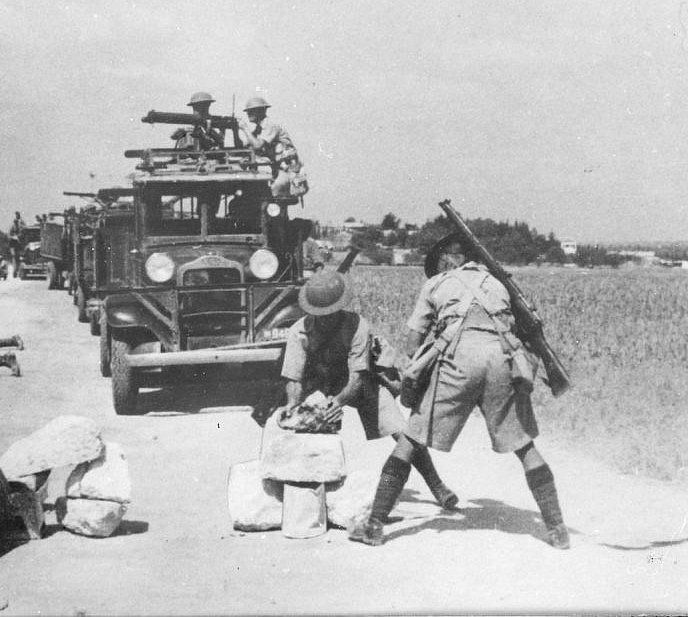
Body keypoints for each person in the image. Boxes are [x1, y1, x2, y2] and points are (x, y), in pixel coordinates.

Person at [347, 234, 569, 549]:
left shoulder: (437, 284)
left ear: (450, 259)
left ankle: (374, 525)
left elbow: (413, 342)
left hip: (456, 362)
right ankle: (557, 529)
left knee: (410, 440)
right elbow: (525, 330)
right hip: (501, 361)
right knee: (524, 446)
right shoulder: (500, 284)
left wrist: (416, 374)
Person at [275, 268, 458, 511]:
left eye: (330, 313)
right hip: (319, 383)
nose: (325, 318)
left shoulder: (357, 326)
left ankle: (436, 484)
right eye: (320, 314)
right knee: (291, 423)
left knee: (403, 432)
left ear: (339, 308)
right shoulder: (299, 330)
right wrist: (293, 406)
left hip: (359, 384)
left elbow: (358, 377)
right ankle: (293, 490)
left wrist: (338, 403)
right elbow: (294, 378)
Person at [236, 96, 303, 197]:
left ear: (261, 111)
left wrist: (245, 128)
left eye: (252, 111)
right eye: (248, 111)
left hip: (287, 170)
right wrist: (235, 131)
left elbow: (258, 145)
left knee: (272, 196)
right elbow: (243, 148)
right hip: (275, 169)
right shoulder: (258, 130)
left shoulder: (271, 125)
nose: (248, 114)